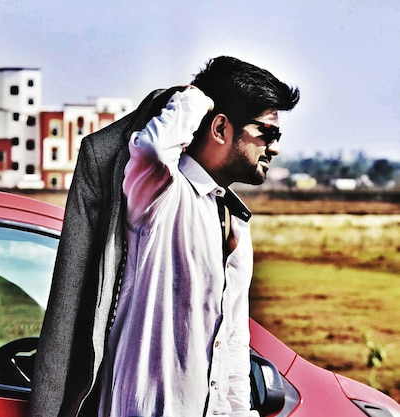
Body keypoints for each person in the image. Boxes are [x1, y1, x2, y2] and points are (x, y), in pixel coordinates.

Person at [29, 56, 300, 417]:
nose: (275, 147)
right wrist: (196, 98)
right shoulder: (159, 196)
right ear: (220, 128)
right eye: (267, 132)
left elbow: (232, 346)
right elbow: (154, 150)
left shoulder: (235, 223)